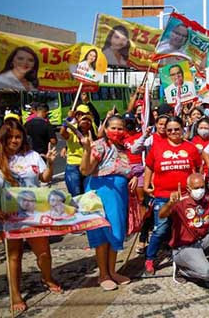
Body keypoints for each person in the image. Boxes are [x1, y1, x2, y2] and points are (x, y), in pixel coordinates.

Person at [0, 120, 60, 313]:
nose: (15, 140)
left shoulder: (31, 156)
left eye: (18, 136)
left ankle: (47, 277)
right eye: (11, 137)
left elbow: (44, 178)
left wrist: (51, 163)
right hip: (8, 215)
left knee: (44, 252)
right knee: (14, 255)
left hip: (34, 212)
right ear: (3, 138)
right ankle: (15, 293)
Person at [80, 115, 137, 291]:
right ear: (105, 129)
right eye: (113, 127)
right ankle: (103, 274)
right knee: (102, 233)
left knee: (116, 232)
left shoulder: (121, 148)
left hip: (118, 196)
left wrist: (132, 176)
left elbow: (123, 169)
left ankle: (112, 271)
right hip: (101, 193)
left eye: (120, 128)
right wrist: (87, 151)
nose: (117, 131)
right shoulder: (99, 145)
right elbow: (85, 170)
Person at [143, 116, 201, 275]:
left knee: (186, 228)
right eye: (169, 130)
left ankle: (185, 257)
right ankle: (149, 258)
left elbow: (199, 168)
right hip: (163, 195)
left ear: (183, 129)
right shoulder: (157, 147)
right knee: (161, 229)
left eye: (176, 129)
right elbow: (149, 167)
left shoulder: (191, 148)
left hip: (185, 196)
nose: (173, 132)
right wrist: (147, 185)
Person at [159, 173, 209, 287]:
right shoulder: (180, 201)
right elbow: (162, 215)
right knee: (206, 272)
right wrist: (170, 203)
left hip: (201, 241)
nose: (200, 190)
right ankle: (183, 271)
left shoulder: (208, 201)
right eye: (196, 188)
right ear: (189, 189)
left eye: (202, 187)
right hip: (184, 246)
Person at [60, 105, 95, 197]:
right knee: (77, 196)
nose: (85, 120)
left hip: (89, 166)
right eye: (79, 114)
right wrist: (67, 119)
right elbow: (63, 134)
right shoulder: (73, 128)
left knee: (89, 195)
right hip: (73, 166)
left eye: (86, 115)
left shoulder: (92, 129)